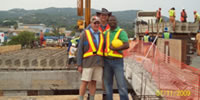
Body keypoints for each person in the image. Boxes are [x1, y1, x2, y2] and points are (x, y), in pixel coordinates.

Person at [77, 16, 104, 100]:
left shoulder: (101, 34)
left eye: (98, 23)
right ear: (91, 24)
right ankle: (81, 98)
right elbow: (80, 50)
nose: (96, 24)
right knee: (85, 82)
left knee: (93, 82)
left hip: (98, 63)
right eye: (94, 23)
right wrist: (79, 64)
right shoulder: (85, 34)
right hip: (88, 63)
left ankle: (92, 98)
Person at [103, 15, 129, 100]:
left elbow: (126, 45)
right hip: (107, 61)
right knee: (107, 85)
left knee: (121, 85)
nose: (112, 22)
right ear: (108, 22)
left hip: (117, 61)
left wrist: (115, 48)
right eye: (110, 21)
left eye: (113, 20)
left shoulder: (121, 32)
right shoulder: (106, 33)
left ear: (116, 22)